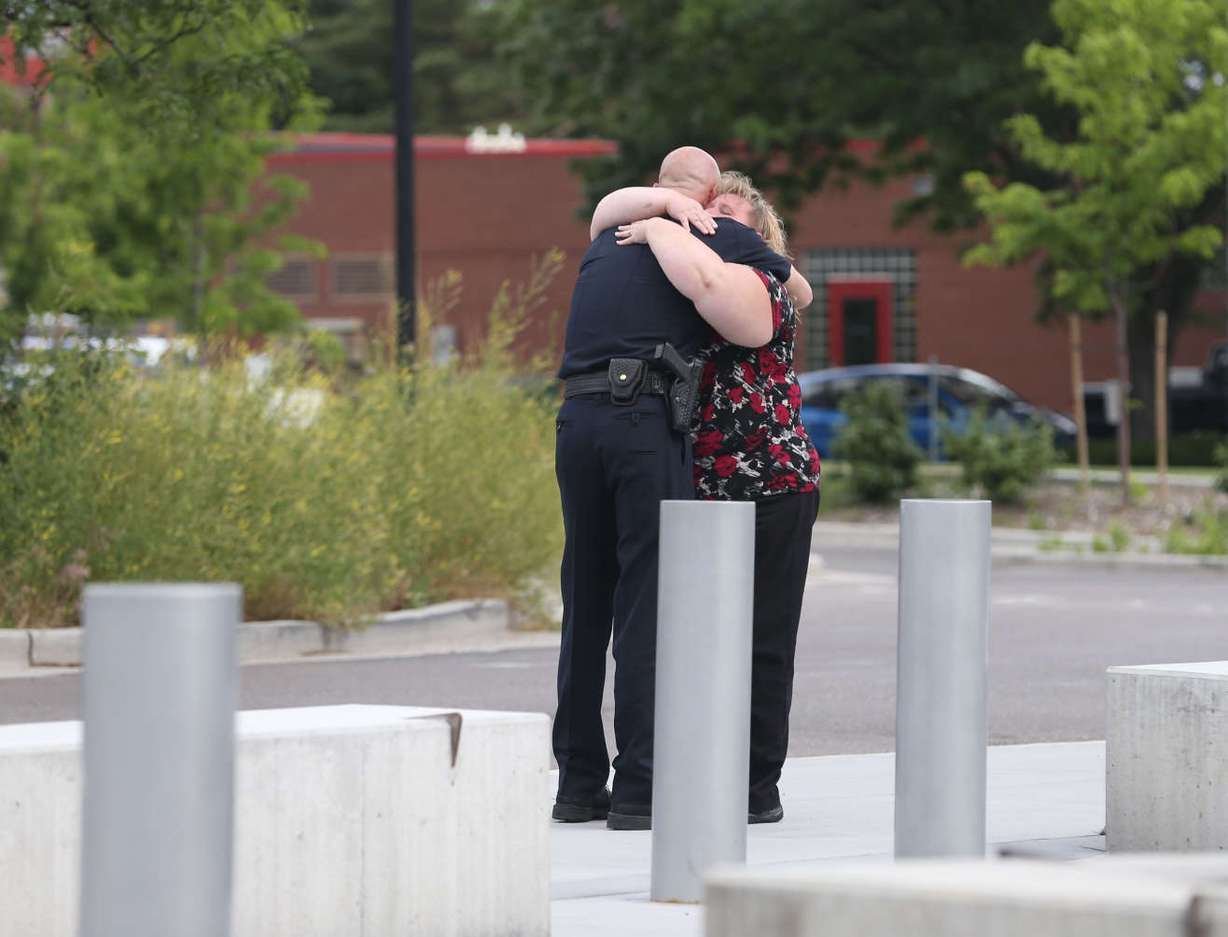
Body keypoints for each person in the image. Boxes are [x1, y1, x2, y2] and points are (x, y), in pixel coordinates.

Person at [554, 148, 796, 831]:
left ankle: (575, 783)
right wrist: (690, 228)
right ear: (709, 192)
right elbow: (794, 286)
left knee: (586, 597)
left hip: (576, 416)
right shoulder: (715, 229)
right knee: (642, 602)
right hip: (642, 417)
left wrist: (657, 217)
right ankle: (638, 789)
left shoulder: (608, 233)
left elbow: (605, 207)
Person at [608, 170, 822, 824]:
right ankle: (687, 771)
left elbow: (730, 284)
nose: (708, 224)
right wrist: (656, 214)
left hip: (774, 481)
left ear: (757, 235)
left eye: (725, 216)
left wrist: (653, 228)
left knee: (763, 642)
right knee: (690, 641)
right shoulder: (678, 287)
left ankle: (758, 786)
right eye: (703, 215)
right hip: (698, 488)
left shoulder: (760, 287)